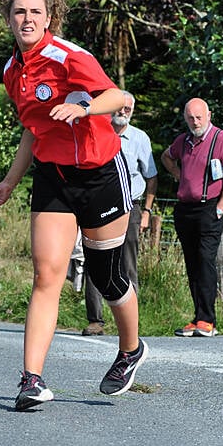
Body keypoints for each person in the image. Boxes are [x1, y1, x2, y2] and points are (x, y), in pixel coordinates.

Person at [0, 0, 148, 411]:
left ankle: (130, 350)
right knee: (46, 273)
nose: (27, 19)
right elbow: (32, 131)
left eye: (35, 12)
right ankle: (31, 380)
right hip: (53, 176)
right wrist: (10, 182)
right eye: (19, 12)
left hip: (100, 175)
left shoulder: (69, 56)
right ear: (8, 19)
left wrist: (84, 107)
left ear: (49, 17)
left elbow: (118, 96)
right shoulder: (11, 71)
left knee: (106, 277)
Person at [161, 98, 223, 338]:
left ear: (209, 115)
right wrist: (179, 174)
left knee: (205, 260)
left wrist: (220, 209)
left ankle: (208, 320)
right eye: (191, 118)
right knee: (192, 263)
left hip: (210, 208)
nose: (195, 122)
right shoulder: (183, 142)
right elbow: (166, 157)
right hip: (185, 208)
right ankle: (197, 318)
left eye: (199, 117)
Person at [82, 91, 157, 336]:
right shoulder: (96, 132)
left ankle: (129, 322)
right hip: (98, 205)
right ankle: (96, 320)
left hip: (131, 206)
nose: (123, 112)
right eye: (120, 107)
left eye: (128, 109)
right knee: (95, 261)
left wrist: (147, 210)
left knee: (128, 262)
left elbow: (151, 176)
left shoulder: (140, 138)